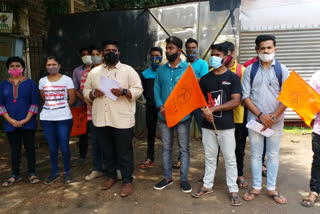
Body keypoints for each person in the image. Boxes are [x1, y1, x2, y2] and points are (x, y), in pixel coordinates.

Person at [83, 40, 143, 197]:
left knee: (124, 152)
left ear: (119, 53)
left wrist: (124, 92)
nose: (111, 52)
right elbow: (86, 90)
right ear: (103, 54)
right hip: (101, 119)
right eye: (108, 50)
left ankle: (127, 180)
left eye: (114, 50)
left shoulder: (128, 70)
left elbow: (138, 89)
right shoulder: (94, 72)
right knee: (107, 151)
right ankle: (111, 176)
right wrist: (93, 94)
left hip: (122, 120)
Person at [192, 43, 242, 206]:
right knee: (210, 157)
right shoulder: (206, 79)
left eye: (218, 54)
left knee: (230, 158)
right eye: (213, 54)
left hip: (226, 126)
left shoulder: (233, 78)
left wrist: (213, 109)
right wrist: (205, 112)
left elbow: (236, 101)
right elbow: (200, 101)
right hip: (208, 127)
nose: (214, 57)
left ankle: (233, 189)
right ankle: (207, 185)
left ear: (227, 56)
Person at [242, 35, 289, 204]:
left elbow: (287, 97)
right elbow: (245, 97)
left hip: (276, 120)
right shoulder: (250, 70)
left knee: (273, 154)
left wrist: (274, 116)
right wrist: (261, 116)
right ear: (257, 51)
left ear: (275, 49)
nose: (266, 51)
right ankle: (256, 187)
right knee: (255, 154)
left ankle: (271, 188)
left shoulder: (282, 70)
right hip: (255, 120)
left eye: (269, 48)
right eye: (262, 48)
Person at [153, 36, 192, 193]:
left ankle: (184, 179)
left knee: (184, 149)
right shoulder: (161, 70)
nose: (167, 51)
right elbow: (156, 89)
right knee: (166, 148)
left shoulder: (187, 69)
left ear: (179, 51)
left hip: (183, 117)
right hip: (164, 116)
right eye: (166, 48)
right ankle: (167, 177)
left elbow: (190, 92)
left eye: (171, 48)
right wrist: (160, 106)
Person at [0, 56, 40, 187]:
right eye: (12, 66)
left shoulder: (30, 83)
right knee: (14, 149)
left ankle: (32, 173)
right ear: (8, 68)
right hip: (10, 123)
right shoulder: (3, 85)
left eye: (17, 66)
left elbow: (34, 104)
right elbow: (1, 106)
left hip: (28, 122)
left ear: (23, 67)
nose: (15, 68)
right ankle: (14, 175)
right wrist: (11, 120)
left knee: (29, 148)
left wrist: (26, 119)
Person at [172, 38, 209, 170]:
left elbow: (204, 81)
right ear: (185, 50)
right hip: (185, 103)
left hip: (199, 103)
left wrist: (188, 80)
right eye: (189, 48)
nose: (191, 50)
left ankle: (209, 161)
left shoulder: (203, 64)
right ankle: (180, 159)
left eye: (194, 47)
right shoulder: (181, 64)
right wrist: (193, 80)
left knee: (204, 132)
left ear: (197, 49)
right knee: (183, 132)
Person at [39, 56, 76, 184]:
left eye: (54, 64)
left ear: (59, 65)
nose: (51, 67)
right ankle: (54, 172)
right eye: (48, 65)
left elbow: (72, 98)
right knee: (52, 147)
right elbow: (44, 98)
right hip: (47, 118)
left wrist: (61, 107)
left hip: (64, 118)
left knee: (64, 146)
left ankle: (67, 172)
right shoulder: (42, 81)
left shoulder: (67, 80)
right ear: (46, 67)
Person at [222, 41, 248, 189]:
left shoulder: (241, 70)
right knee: (218, 146)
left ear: (232, 53)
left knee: (239, 146)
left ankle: (239, 174)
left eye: (226, 54)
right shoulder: (217, 68)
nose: (224, 57)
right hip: (220, 116)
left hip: (237, 116)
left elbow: (245, 94)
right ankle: (210, 173)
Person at [82, 47, 104, 181]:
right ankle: (97, 168)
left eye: (98, 54)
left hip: (108, 112)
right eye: (93, 55)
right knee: (95, 142)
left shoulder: (108, 71)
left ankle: (112, 168)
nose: (95, 57)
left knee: (109, 142)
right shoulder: (86, 73)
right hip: (93, 113)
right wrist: (92, 107)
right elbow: (85, 93)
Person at [139, 46, 163, 169]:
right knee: (151, 133)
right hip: (150, 107)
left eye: (157, 56)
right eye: (152, 56)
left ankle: (169, 159)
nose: (154, 58)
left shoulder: (165, 71)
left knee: (167, 134)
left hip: (164, 108)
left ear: (162, 57)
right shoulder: (145, 73)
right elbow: (142, 90)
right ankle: (150, 157)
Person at [300, 71, 320, 207]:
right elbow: (309, 100)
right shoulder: (317, 76)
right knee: (318, 160)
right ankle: (315, 191)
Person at [72, 48, 93, 166]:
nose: (86, 56)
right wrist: (84, 99)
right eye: (83, 55)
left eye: (88, 54)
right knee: (82, 132)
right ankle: (83, 155)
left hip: (95, 105)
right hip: (82, 105)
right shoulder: (77, 71)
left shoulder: (98, 69)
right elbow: (75, 88)